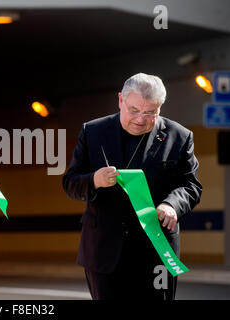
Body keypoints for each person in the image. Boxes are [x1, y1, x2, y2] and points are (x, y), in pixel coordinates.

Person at [62, 73, 202, 300]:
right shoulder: (92, 132)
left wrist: (172, 205)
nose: (140, 119)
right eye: (134, 110)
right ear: (120, 101)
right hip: (104, 251)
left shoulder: (180, 137)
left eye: (150, 113)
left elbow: (191, 185)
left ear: (160, 108)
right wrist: (94, 180)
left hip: (157, 250)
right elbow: (70, 183)